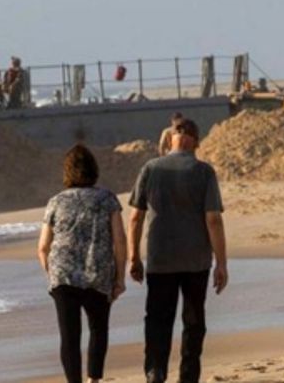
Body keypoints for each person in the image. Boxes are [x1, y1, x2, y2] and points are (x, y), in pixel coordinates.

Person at [128, 118, 228, 383]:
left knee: (158, 318)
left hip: (160, 258)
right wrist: (221, 263)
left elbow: (135, 218)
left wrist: (133, 257)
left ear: (170, 138)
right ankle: (188, 376)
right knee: (193, 320)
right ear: (196, 142)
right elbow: (213, 219)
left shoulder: (150, 168)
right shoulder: (204, 171)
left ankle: (155, 370)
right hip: (196, 260)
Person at [38, 145, 127, 383]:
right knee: (98, 329)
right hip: (97, 272)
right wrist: (120, 278)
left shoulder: (55, 202)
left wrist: (52, 274)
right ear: (93, 170)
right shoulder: (107, 199)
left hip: (63, 274)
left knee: (69, 336)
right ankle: (94, 380)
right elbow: (120, 240)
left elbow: (43, 247)